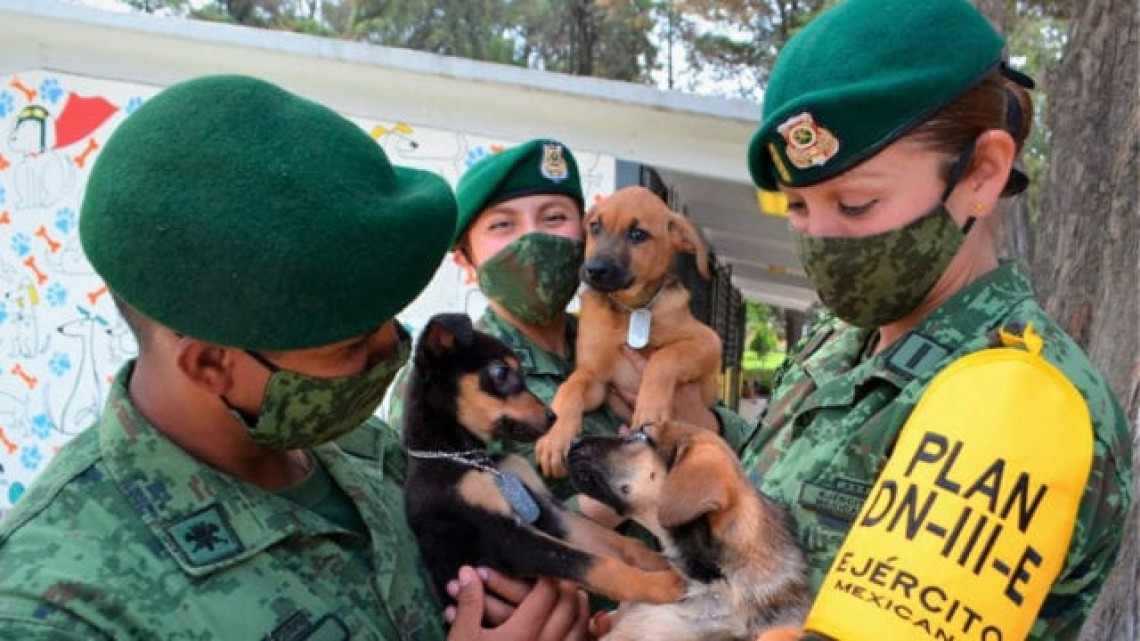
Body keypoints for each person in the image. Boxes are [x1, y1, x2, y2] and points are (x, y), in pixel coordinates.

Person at [0, 74, 594, 640]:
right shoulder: (59, 607)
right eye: (351, 346)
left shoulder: (371, 453)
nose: (392, 350)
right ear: (210, 365)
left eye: (385, 321)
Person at [740, 1, 1132, 639]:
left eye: (857, 203)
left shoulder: (1021, 403)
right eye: (797, 208)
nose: (821, 239)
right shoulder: (847, 338)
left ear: (982, 173)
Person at [383, 139, 753, 503]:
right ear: (465, 259)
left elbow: (747, 453)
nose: (533, 238)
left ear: (582, 235)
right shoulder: (442, 375)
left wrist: (704, 422)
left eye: (554, 218)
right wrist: (627, 486)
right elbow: (439, 518)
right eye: (502, 225)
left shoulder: (605, 333)